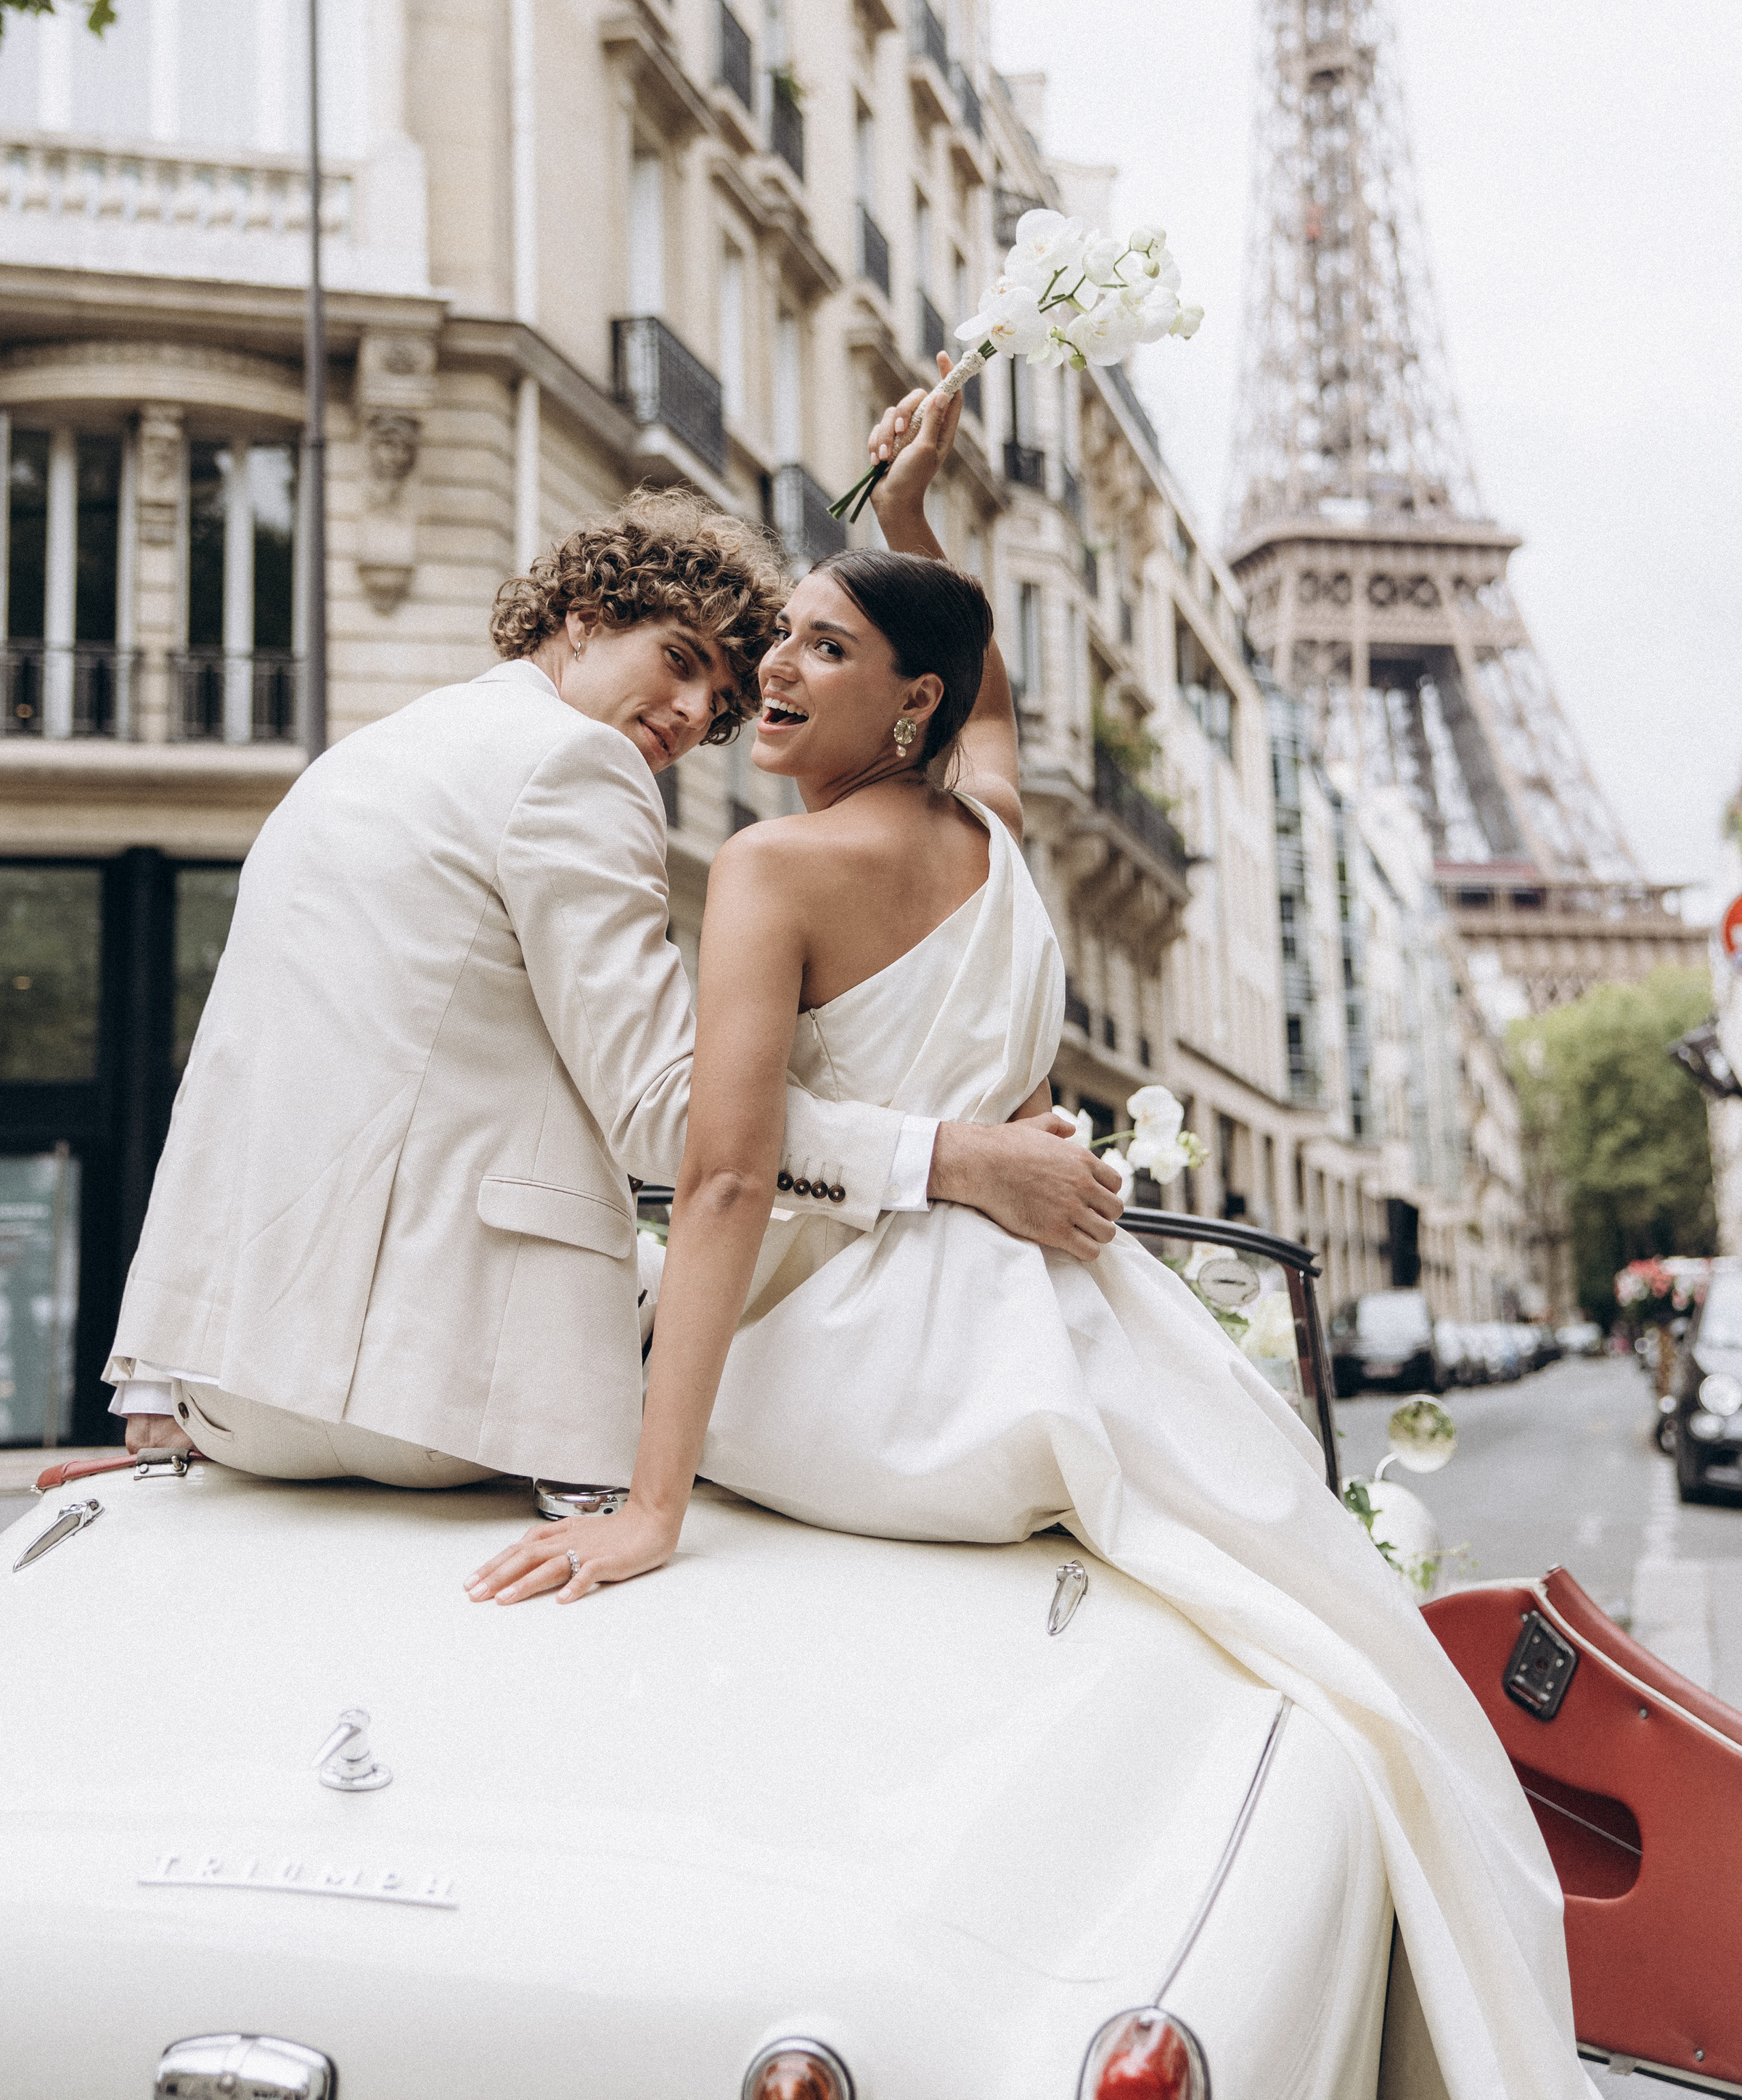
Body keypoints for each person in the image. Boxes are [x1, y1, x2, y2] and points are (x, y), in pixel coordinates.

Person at [470, 381, 1592, 2100]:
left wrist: (650, 1498)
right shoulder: (991, 828)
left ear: (902, 697)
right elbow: (980, 684)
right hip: (1058, 1312)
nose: (770, 668)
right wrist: (908, 517)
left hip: (858, 1344)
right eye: (772, 643)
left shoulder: (771, 867)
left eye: (819, 649)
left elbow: (719, 1180)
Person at [107, 489, 1119, 1490]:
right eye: (678, 661)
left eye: (722, 704)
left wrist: (154, 1381)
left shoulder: (357, 759)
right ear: (581, 619)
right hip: (435, 1395)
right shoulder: (576, 767)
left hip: (223, 1388)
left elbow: (228, 1072)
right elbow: (670, 1119)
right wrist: (957, 1159)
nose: (689, 718)